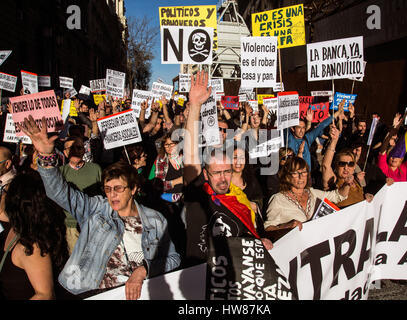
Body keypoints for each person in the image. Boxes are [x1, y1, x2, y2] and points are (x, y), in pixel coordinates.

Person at [18, 116, 180, 299]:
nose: (112, 195)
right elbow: (60, 193)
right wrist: (46, 156)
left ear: (134, 189)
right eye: (108, 189)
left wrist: (144, 270)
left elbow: (173, 259)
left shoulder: (155, 219)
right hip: (99, 293)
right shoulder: (96, 210)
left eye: (119, 189)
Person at [182, 71, 273, 268]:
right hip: (201, 277)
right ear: (206, 174)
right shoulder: (199, 196)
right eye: (216, 173)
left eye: (227, 172)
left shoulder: (240, 199)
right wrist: (196, 105)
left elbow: (253, 233)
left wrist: (262, 241)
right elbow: (190, 156)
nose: (223, 178)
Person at [0, 171, 69, 300]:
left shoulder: (32, 247)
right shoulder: (15, 228)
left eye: (7, 192)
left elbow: (45, 295)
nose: (3, 194)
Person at [264, 157, 351, 240]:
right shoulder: (278, 199)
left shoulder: (313, 193)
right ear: (287, 177)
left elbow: (337, 196)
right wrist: (286, 226)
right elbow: (268, 229)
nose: (301, 176)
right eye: (295, 173)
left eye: (304, 172)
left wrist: (347, 184)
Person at [60, 136, 103, 254]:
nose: (74, 151)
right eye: (70, 148)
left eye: (78, 147)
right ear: (65, 152)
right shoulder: (60, 172)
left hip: (94, 223)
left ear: (83, 150)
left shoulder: (95, 169)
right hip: (71, 225)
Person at [321, 125, 374, 208]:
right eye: (342, 164)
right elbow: (325, 166)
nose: (346, 167)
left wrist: (365, 197)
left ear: (354, 167)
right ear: (336, 165)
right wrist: (334, 141)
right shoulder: (333, 182)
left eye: (350, 164)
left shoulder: (356, 181)